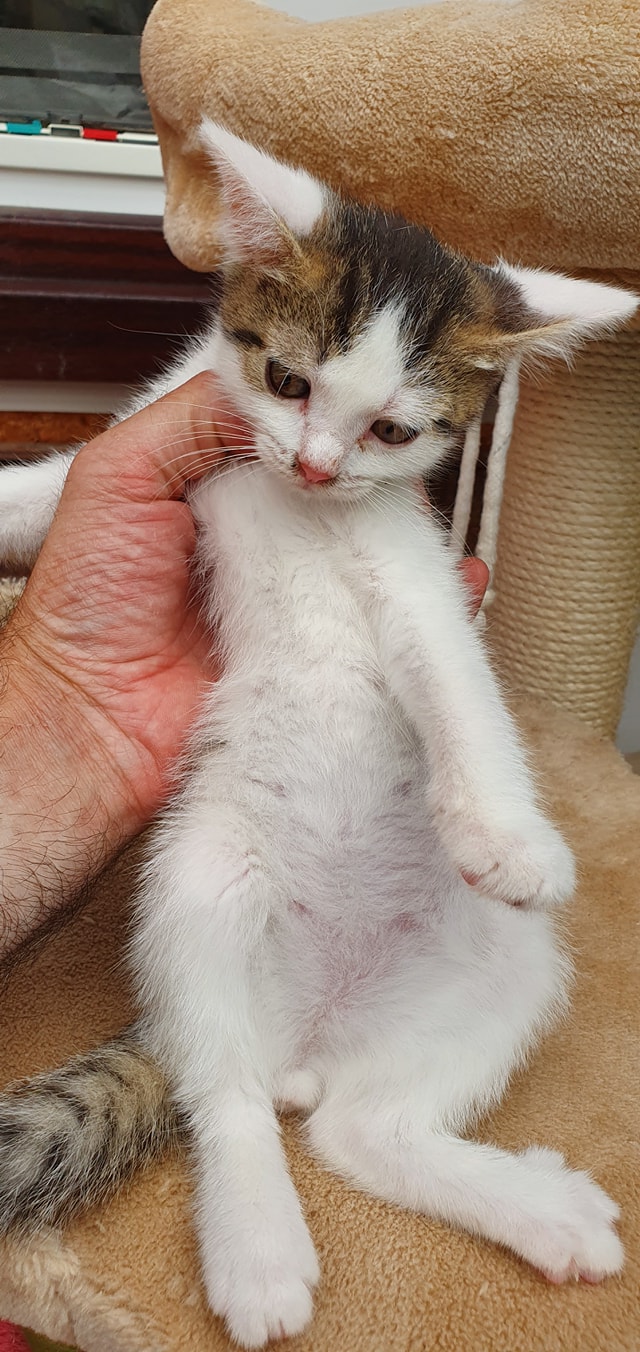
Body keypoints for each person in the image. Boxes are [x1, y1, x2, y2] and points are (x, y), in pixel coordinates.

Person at [0, 373, 488, 961]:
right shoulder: (221, 398)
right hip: (256, 766)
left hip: (384, 791)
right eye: (291, 382)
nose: (317, 464)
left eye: (389, 429)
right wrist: (73, 693)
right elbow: (67, 498)